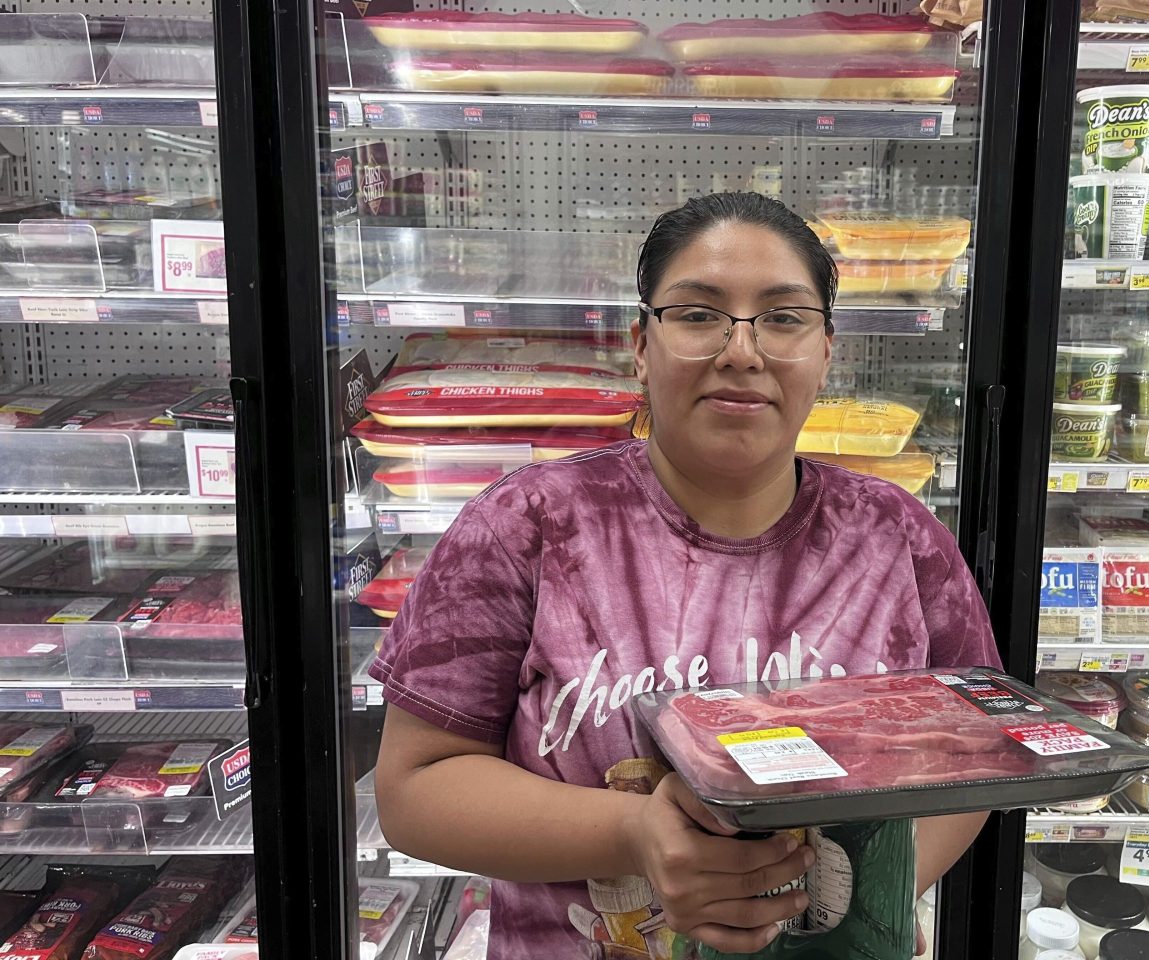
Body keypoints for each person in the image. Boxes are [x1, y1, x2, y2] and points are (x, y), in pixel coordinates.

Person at [371, 192, 1002, 959]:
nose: (743, 350)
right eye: (700, 315)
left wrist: (849, 895)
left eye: (783, 316)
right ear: (642, 344)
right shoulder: (526, 525)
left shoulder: (901, 538)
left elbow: (980, 751)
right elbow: (414, 789)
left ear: (826, 349)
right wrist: (636, 834)